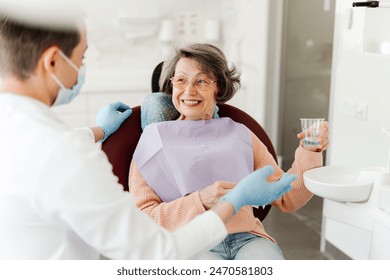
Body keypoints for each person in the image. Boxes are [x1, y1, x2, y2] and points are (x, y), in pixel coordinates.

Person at [0, 12, 296, 260]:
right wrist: (232, 201)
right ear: (53, 62)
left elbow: (288, 193)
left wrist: (101, 130)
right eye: (82, 57)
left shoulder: (24, 133)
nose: (81, 70)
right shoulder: (71, 152)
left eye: (201, 81)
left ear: (218, 88)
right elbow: (153, 249)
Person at [129, 43, 329, 260]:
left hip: (247, 240)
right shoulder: (152, 142)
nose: (189, 90)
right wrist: (200, 200)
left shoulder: (240, 134)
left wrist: (310, 150)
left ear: (219, 87)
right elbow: (144, 220)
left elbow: (288, 198)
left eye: (201, 81)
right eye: (181, 80)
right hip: (191, 242)